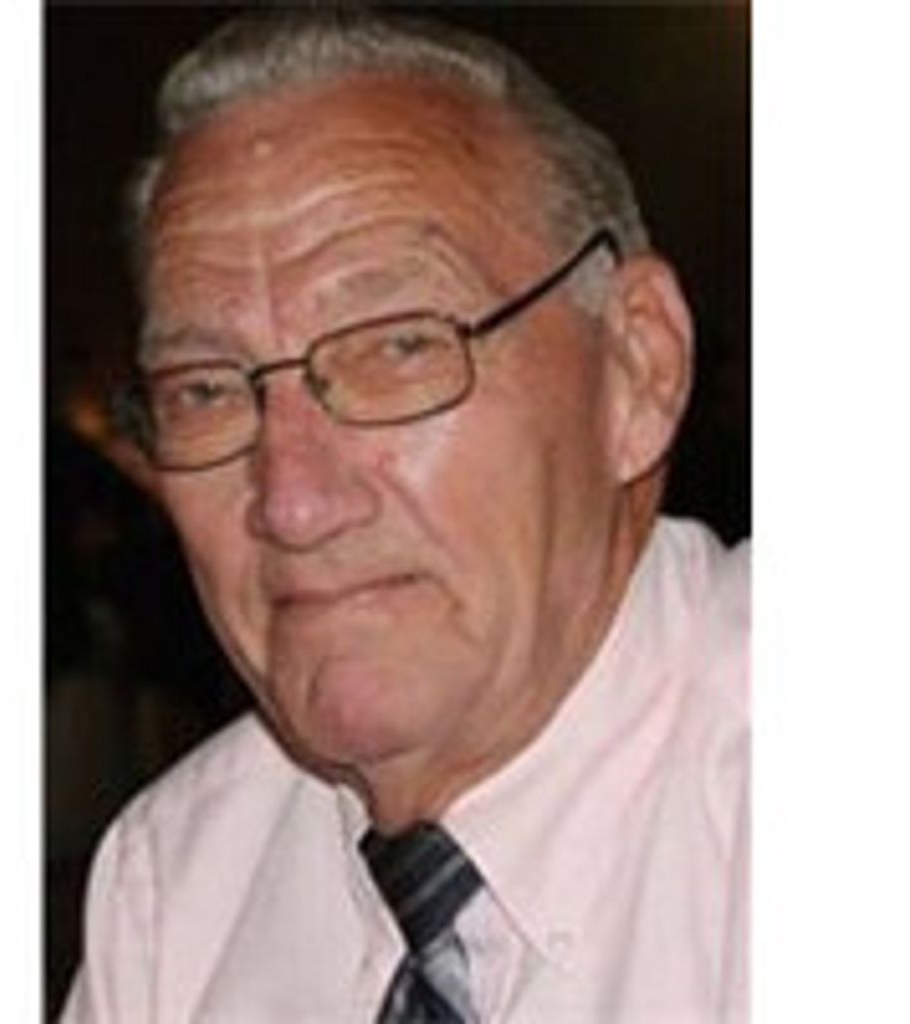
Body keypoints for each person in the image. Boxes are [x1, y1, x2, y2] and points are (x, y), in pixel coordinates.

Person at [62, 7, 748, 1022]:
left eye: (398, 346)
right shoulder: (176, 884)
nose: (293, 502)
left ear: (637, 369)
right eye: (204, 390)